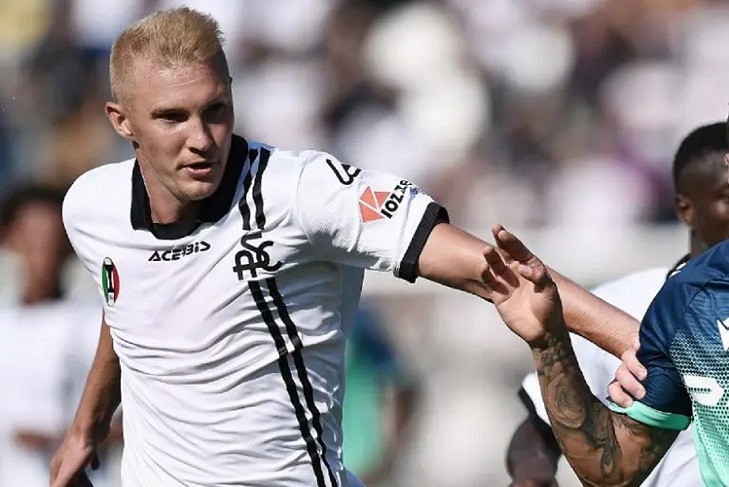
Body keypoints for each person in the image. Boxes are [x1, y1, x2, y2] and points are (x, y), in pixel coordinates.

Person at [50, 8, 641, 487]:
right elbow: (126, 303)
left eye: (215, 110)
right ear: (121, 121)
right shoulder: (90, 207)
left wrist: (630, 339)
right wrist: (86, 428)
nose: (201, 139)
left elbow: (498, 273)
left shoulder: (302, 193)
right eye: (172, 118)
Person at [506, 121, 729, 486]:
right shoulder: (646, 303)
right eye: (726, 197)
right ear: (685, 208)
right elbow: (553, 435)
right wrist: (534, 474)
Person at [0, 186, 107, 486]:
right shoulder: (4, 322)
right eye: (31, 238)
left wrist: (69, 438)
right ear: (11, 240)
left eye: (51, 239)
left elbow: (130, 420)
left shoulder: (93, 322)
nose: (43, 252)